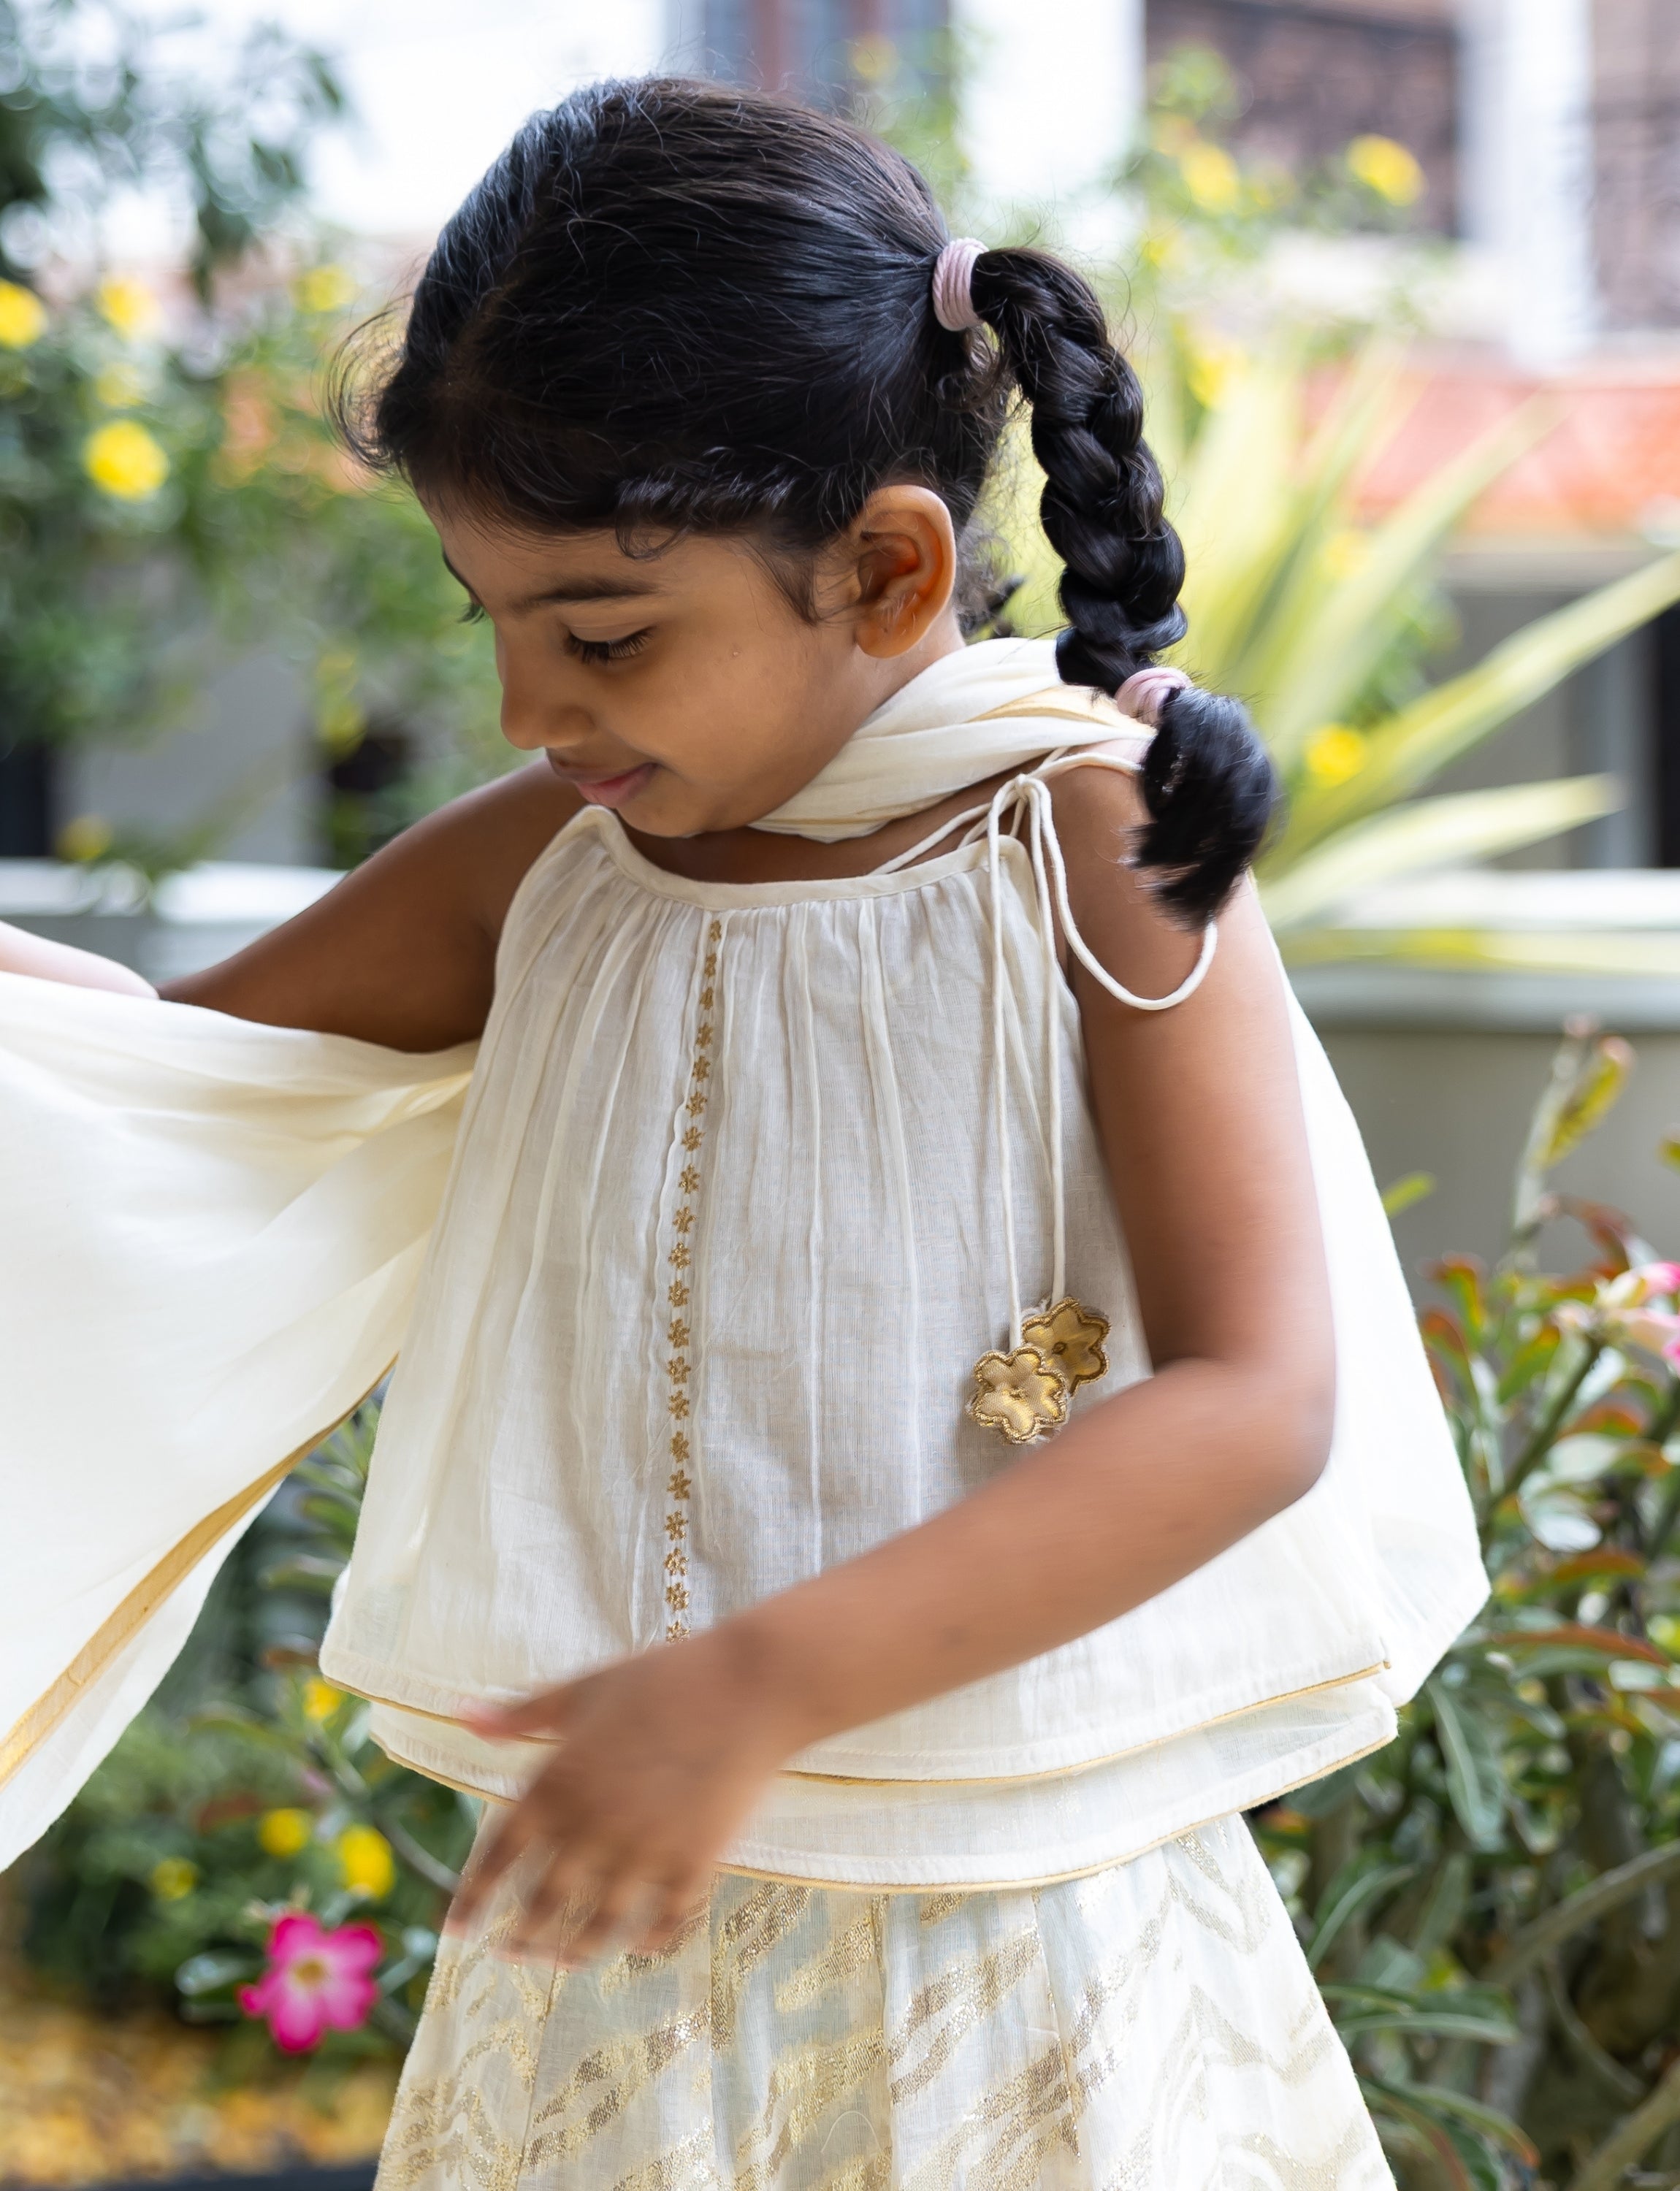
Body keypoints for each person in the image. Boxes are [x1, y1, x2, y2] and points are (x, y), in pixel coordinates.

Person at [0, 77, 1486, 2188]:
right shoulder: (553, 862)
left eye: (603, 634)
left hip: (1009, 1936)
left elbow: (1252, 1401)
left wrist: (752, 1692)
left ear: (883, 568)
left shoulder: (1086, 842)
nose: (528, 711)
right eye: (493, 622)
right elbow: (175, 1090)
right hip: (617, 1959)